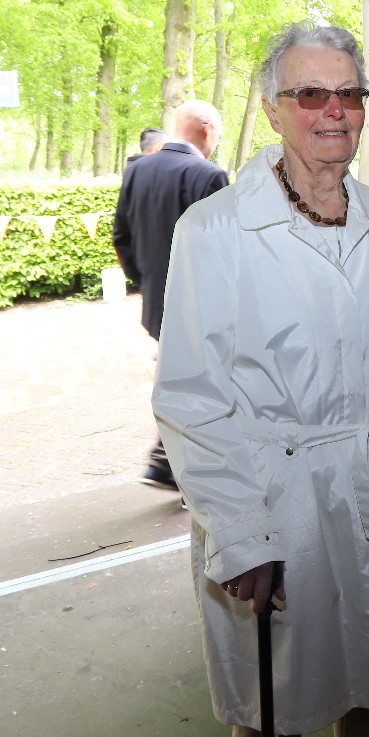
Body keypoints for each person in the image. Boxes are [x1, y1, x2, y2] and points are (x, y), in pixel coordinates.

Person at [152, 21, 369, 737]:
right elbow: (191, 396)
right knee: (276, 685)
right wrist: (240, 534)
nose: (334, 110)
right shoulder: (216, 230)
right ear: (273, 109)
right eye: (311, 93)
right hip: (278, 496)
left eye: (350, 93)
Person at [112, 101, 228, 488]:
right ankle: (174, 466)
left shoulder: (138, 170)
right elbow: (221, 250)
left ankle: (167, 463)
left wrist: (146, 281)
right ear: (207, 130)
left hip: (157, 303)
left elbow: (121, 235)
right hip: (199, 307)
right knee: (204, 386)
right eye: (218, 134)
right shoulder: (209, 175)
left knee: (183, 382)